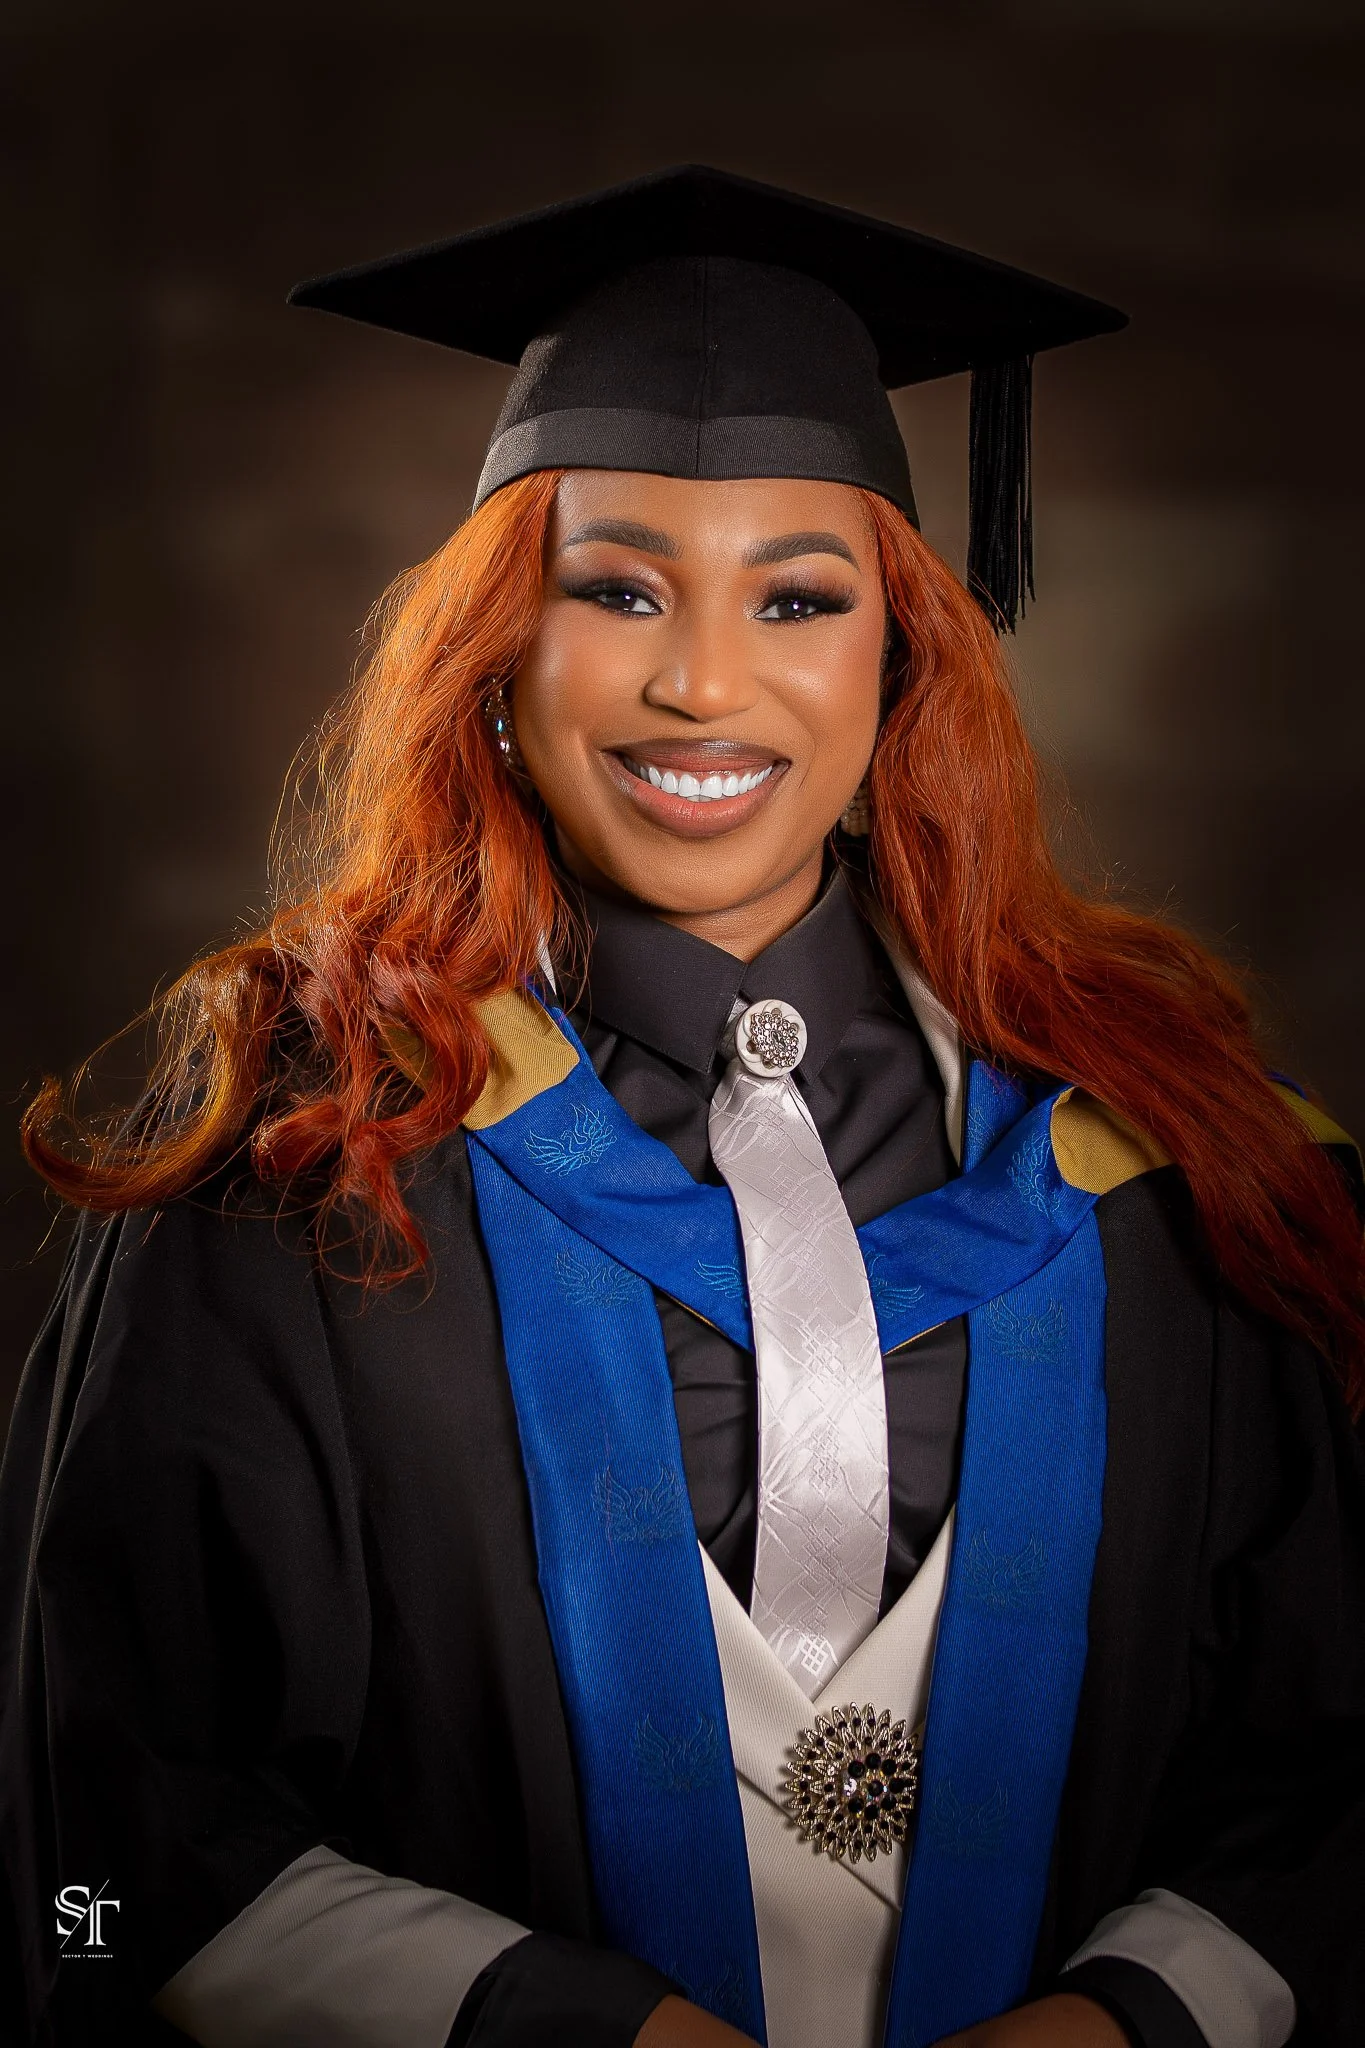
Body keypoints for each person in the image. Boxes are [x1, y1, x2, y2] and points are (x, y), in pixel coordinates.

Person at [1, 167, 1362, 2048]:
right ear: (501, 658)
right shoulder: (288, 1157)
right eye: (616, 589)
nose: (703, 680)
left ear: (900, 662)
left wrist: (1136, 2018)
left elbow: (1337, 1772)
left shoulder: (1163, 1159)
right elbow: (99, 1839)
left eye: (799, 597)